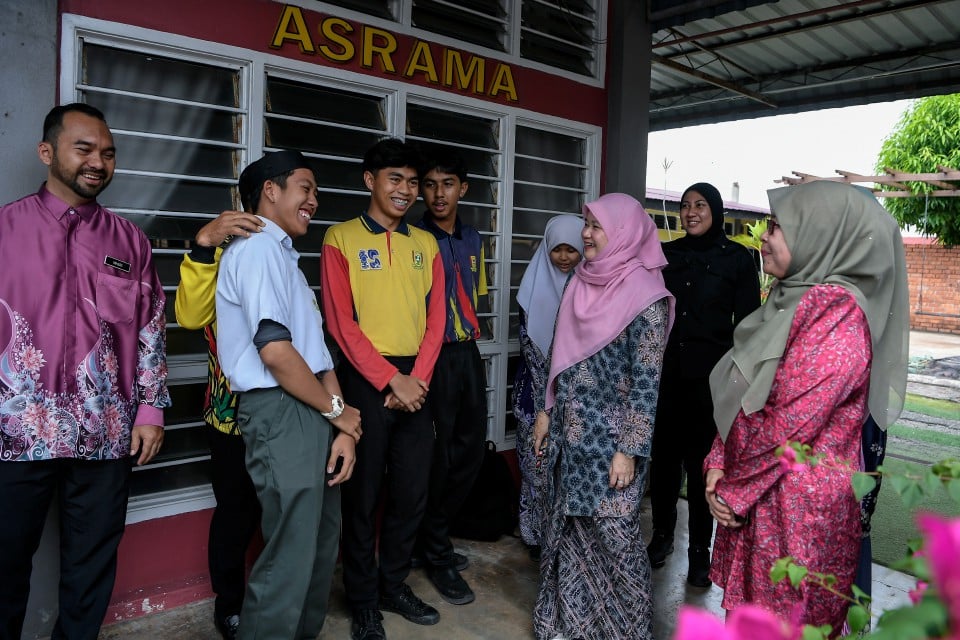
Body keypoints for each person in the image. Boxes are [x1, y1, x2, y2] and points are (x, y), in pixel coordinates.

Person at [704, 181, 909, 632]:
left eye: (777, 227)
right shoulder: (789, 299)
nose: (764, 237)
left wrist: (734, 489)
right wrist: (718, 460)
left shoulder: (838, 312)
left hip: (796, 518)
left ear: (821, 235)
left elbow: (790, 421)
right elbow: (747, 392)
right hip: (760, 497)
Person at [0, 102, 171, 639]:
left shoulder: (130, 242)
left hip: (106, 431)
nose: (98, 161)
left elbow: (151, 328)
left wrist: (150, 410)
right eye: (84, 148)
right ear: (46, 152)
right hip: (15, 433)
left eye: (108, 152)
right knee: (4, 565)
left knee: (90, 569)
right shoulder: (5, 229)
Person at [215, 150, 362, 640]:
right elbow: (276, 353)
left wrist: (343, 427)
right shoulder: (256, 250)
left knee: (318, 543)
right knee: (290, 553)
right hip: (280, 408)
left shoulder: (286, 260)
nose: (314, 200)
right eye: (306, 188)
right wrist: (337, 410)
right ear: (271, 191)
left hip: (310, 405)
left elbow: (317, 356)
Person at [532, 193, 674, 640]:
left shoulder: (647, 298)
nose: (586, 234)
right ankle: (570, 625)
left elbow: (647, 383)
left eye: (596, 226)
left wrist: (629, 451)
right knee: (568, 531)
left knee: (617, 540)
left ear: (623, 232)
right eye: (586, 224)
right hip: (568, 436)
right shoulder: (579, 280)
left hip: (612, 445)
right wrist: (546, 411)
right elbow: (558, 352)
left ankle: (627, 631)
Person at [321, 138, 446, 640]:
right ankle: (363, 600)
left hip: (418, 379)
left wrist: (417, 380)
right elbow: (340, 322)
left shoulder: (426, 243)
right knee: (363, 496)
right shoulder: (341, 238)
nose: (406, 190)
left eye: (413, 182)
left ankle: (393, 585)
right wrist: (390, 379)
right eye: (396, 179)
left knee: (412, 492)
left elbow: (437, 321)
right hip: (364, 378)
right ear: (369, 180)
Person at [647, 182, 760, 587]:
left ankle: (699, 552)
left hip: (712, 383)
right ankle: (661, 536)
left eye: (700, 205)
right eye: (685, 206)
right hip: (666, 376)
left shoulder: (737, 259)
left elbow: (748, 325)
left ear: (715, 210)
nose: (691, 212)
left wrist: (741, 384)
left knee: (702, 468)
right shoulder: (667, 255)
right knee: (663, 462)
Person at [175, 208, 266, 639]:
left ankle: (275, 600)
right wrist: (203, 245)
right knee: (235, 516)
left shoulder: (279, 260)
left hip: (281, 416)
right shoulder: (216, 264)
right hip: (229, 418)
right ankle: (229, 605)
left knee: (281, 515)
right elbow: (190, 316)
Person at [411, 147, 487, 605]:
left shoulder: (474, 238)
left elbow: (473, 295)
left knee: (471, 450)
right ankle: (436, 551)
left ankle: (432, 536)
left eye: (448, 184)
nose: (439, 194)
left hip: (466, 353)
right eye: (430, 185)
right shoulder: (413, 239)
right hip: (430, 356)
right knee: (436, 457)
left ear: (463, 189)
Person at [513, 214, 583, 562]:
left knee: (566, 468)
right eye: (557, 249)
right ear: (546, 248)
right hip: (535, 392)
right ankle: (535, 535)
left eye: (572, 249)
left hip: (574, 396)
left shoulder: (589, 289)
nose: (564, 257)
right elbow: (531, 347)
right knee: (535, 464)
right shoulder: (532, 287)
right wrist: (546, 400)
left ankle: (563, 537)